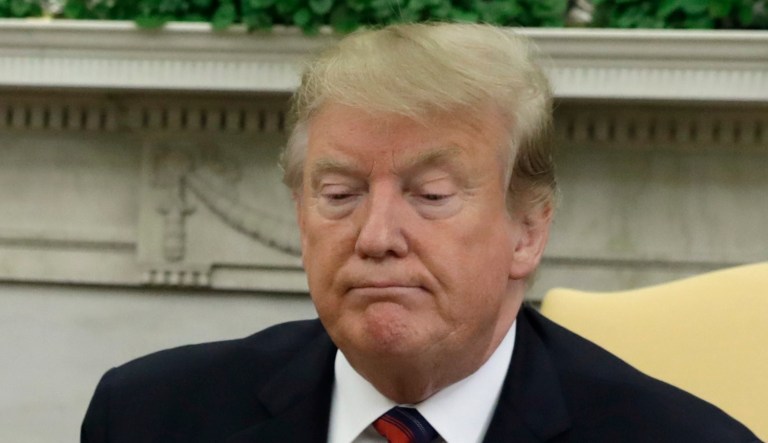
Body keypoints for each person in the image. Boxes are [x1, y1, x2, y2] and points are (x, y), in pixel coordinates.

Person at [81, 23, 760, 443]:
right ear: (300, 215)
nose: (376, 236)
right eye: (339, 195)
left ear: (527, 231)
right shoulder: (147, 417)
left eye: (430, 196)